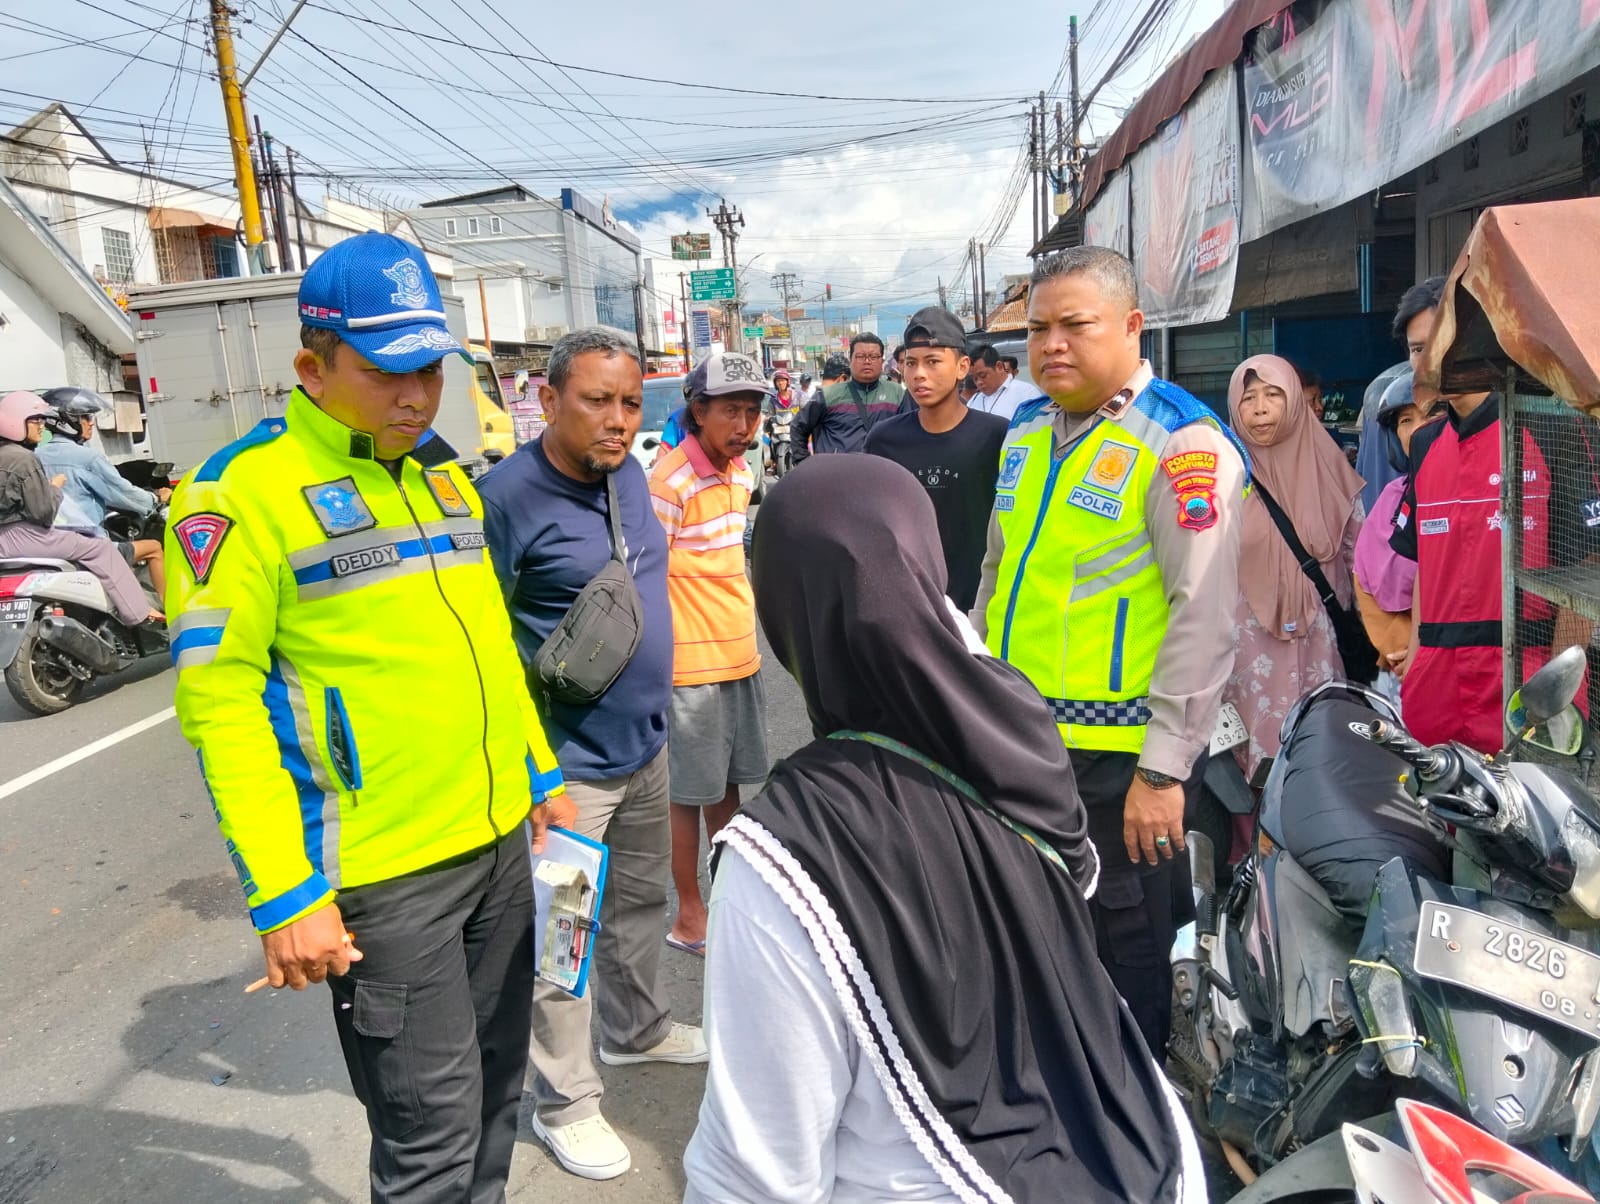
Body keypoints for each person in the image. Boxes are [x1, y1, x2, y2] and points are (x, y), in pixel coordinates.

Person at [164, 231, 569, 1204]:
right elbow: (218, 704)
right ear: (312, 364)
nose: (416, 396)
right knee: (427, 1142)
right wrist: (283, 892)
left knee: (495, 1104)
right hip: (385, 881)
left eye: (428, 369)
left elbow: (486, 644)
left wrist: (538, 775)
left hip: (498, 842)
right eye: (388, 372)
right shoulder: (236, 496)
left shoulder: (439, 473)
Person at [684, 455, 1205, 1204]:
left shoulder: (785, 853)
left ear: (784, 613)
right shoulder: (1018, 724)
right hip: (1142, 1149)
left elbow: (753, 1175)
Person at [971, 246, 1247, 1057]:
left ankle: (1139, 1112)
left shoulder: (1182, 443)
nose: (1051, 344)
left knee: (1127, 946)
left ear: (1131, 326)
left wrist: (1163, 772)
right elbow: (997, 574)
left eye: (1074, 326)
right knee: (1032, 930)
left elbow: (1204, 617)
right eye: (1037, 329)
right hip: (1019, 744)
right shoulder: (1025, 432)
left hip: (1121, 765)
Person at [478, 328, 706, 1182]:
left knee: (642, 904)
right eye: (597, 402)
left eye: (629, 403)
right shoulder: (506, 499)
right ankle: (566, 1101)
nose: (618, 421)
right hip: (566, 773)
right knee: (562, 941)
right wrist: (532, 771)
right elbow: (486, 645)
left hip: (645, 749)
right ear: (547, 399)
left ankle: (637, 1028)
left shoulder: (632, 474)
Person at [1388, 276, 1569, 753]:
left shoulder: (1547, 428)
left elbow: (1585, 566)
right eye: (1416, 348)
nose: (1428, 360)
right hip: (1439, 691)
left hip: (1523, 680)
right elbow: (1426, 564)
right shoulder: (1425, 443)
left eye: (1441, 342)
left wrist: (1561, 694)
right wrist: (1420, 657)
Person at [649, 352, 772, 953]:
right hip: (690, 667)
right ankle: (690, 915)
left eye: (751, 412)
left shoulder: (743, 472)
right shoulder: (669, 480)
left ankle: (725, 898)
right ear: (698, 411)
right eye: (731, 411)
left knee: (728, 790)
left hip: (738, 656)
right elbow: (644, 576)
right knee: (686, 796)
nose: (744, 425)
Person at [1221, 355, 1365, 793]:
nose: (1260, 409)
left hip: (1320, 644)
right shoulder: (1221, 475)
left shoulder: (1332, 470)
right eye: (1248, 399)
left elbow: (1359, 559)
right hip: (1243, 654)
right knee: (1247, 770)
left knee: (1320, 755)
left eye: (1273, 395)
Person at [864, 306, 1006, 612]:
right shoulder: (884, 440)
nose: (919, 374)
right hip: (909, 605)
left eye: (933, 362)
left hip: (981, 606)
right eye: (910, 363)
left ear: (962, 366)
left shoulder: (998, 437)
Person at [0, 391, 158, 626]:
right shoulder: (24, 459)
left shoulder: (20, 455)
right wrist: (55, 488)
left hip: (6, 541)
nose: (41, 426)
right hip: (25, 536)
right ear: (16, 421)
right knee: (101, 549)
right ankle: (140, 614)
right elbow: (43, 513)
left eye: (43, 420)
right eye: (35, 420)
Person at [34, 386, 169, 598]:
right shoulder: (87, 459)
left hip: (45, 547)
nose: (91, 422)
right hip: (89, 548)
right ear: (67, 421)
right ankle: (168, 615)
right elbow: (123, 492)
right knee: (154, 548)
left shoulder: (33, 457)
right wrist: (156, 500)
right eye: (86, 417)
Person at [1353, 370, 1437, 703]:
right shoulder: (1393, 496)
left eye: (1432, 414)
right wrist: (1400, 647)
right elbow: (1365, 580)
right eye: (1405, 420)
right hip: (1400, 666)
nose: (1418, 428)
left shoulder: (1481, 488)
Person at [789, 333, 906, 463]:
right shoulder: (828, 395)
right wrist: (803, 464)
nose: (867, 361)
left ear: (882, 361)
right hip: (836, 478)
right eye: (860, 356)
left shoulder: (897, 394)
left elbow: (910, 434)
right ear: (850, 360)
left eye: (873, 356)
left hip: (883, 476)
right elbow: (798, 426)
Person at [966, 344, 1033, 422]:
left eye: (983, 375)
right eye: (974, 379)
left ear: (999, 367)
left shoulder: (1026, 393)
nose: (979, 382)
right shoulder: (974, 400)